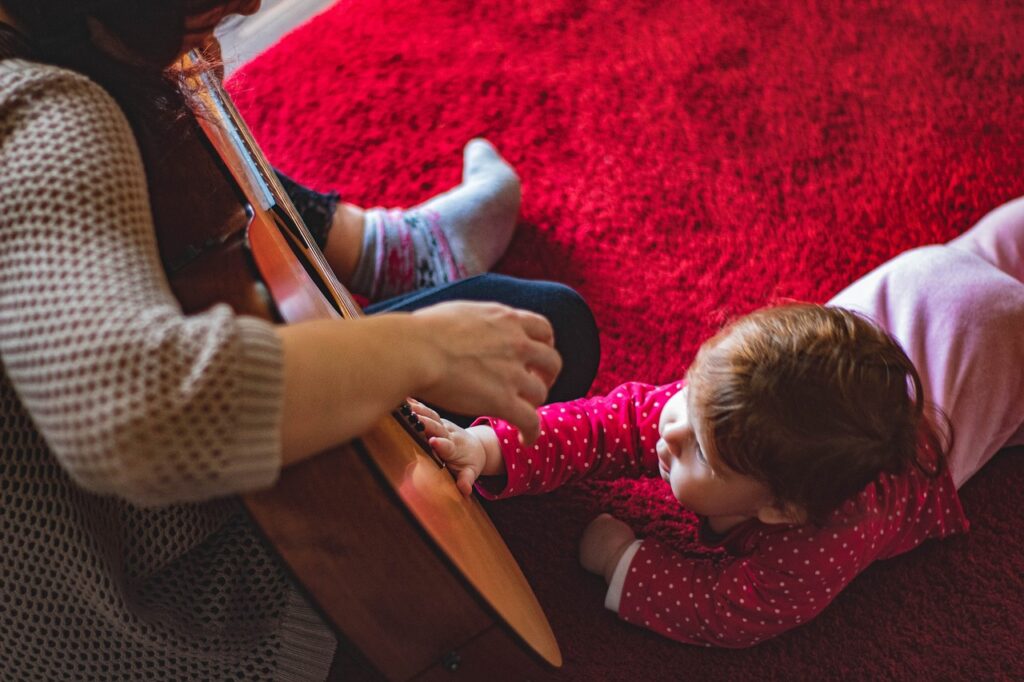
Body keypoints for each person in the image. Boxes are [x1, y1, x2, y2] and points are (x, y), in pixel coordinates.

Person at [0, 1, 599, 679]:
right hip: (159, 619)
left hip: (132, 534)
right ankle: (400, 252)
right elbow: (137, 414)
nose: (252, 6)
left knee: (529, 330)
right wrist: (421, 349)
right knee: (538, 336)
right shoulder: (51, 111)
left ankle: (387, 249)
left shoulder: (51, 56)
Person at [411, 195, 1024, 647]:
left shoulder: (823, 539)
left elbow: (731, 609)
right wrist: (485, 446)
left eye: (701, 450)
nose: (668, 427)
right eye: (689, 394)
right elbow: (602, 426)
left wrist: (621, 560)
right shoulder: (716, 415)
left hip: (993, 337)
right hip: (920, 291)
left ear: (783, 510)